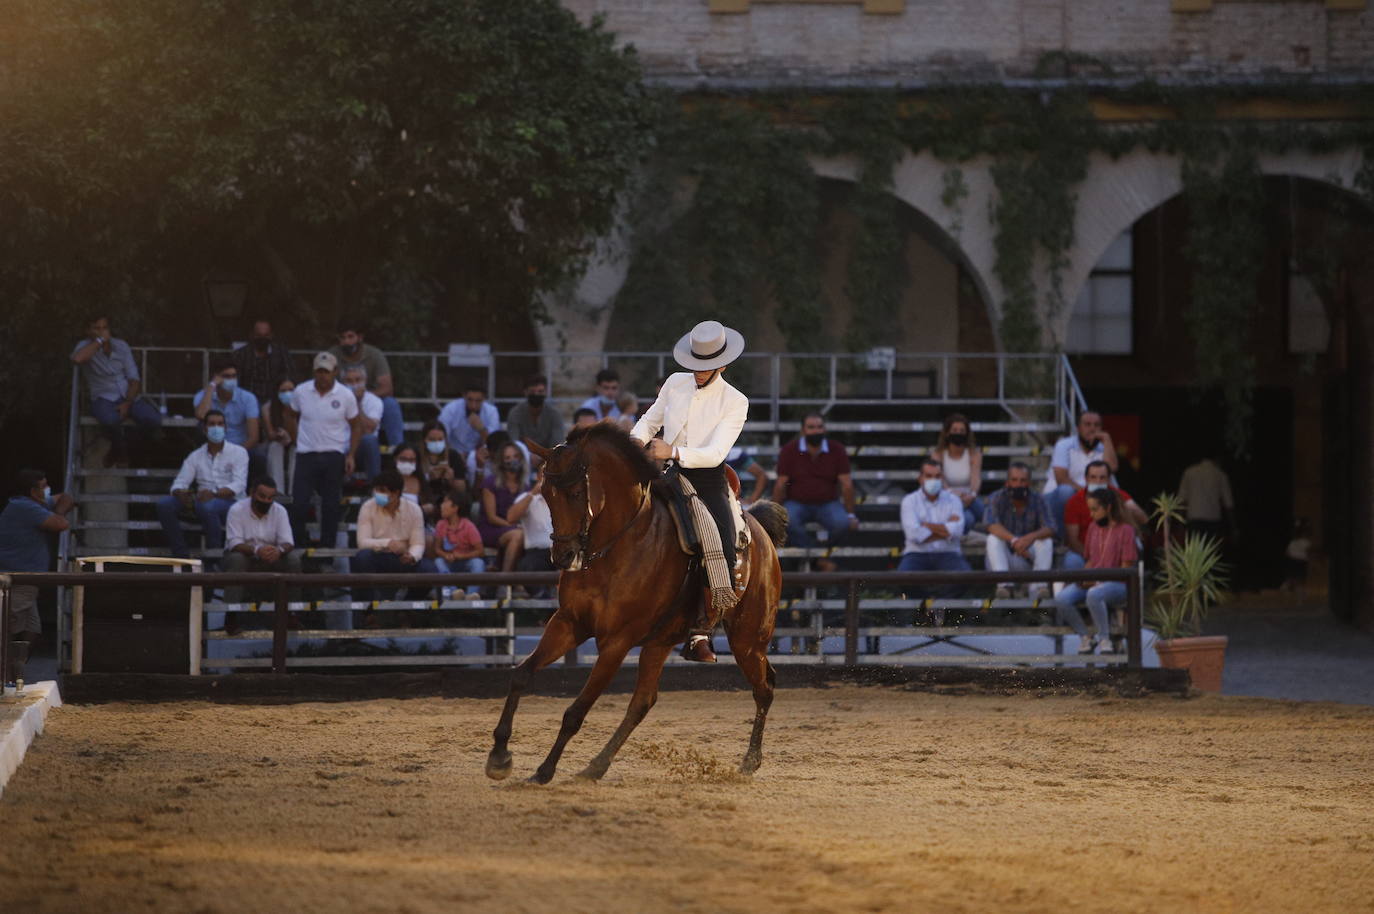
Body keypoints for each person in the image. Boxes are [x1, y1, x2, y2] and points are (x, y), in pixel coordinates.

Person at [631, 319, 750, 663]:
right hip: (664, 471)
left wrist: (673, 452)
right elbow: (650, 420)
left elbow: (716, 453)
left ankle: (701, 630)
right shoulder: (674, 382)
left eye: (707, 366)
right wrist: (632, 445)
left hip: (706, 475)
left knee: (721, 545)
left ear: (723, 364)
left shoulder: (735, 401)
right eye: (695, 365)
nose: (698, 372)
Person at [0, 470, 75, 682]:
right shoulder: (23, 506)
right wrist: (57, 513)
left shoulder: (34, 504)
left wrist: (54, 508)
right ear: (33, 491)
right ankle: (5, 677)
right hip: (15, 576)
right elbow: (61, 524)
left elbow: (66, 497)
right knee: (9, 630)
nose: (47, 490)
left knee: (32, 628)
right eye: (43, 487)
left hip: (27, 579)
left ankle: (14, 673)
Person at [288, 352, 361, 549]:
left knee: (331, 505)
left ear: (335, 372)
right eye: (319, 371)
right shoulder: (301, 391)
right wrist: (297, 439)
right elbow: (290, 414)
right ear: (314, 372)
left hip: (333, 453)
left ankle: (327, 550)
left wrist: (351, 454)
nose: (323, 376)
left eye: (326, 372)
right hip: (306, 453)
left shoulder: (345, 395)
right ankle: (300, 547)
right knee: (299, 504)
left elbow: (356, 425)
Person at [1053, 487, 1137, 655]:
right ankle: (1086, 637)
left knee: (1094, 593)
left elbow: (1126, 568)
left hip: (1118, 584)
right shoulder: (1093, 528)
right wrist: (1083, 577)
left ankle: (1104, 639)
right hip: (1095, 580)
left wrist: (1098, 581)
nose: (1091, 514)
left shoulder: (1126, 530)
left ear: (1108, 508)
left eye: (1095, 509)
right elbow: (1090, 560)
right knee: (1062, 598)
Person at [70, 314, 162, 466]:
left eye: (104, 328)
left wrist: (127, 402)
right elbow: (77, 359)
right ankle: (120, 450)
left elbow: (134, 379)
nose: (101, 331)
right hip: (103, 397)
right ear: (88, 331)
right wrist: (99, 341)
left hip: (128, 395)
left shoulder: (121, 346)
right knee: (110, 420)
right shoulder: (84, 345)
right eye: (96, 328)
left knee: (153, 420)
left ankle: (119, 448)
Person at [156, 411, 249, 559]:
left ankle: (214, 558)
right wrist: (180, 493)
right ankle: (181, 556)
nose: (216, 428)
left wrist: (214, 493)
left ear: (226, 428)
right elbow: (179, 482)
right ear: (205, 429)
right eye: (212, 424)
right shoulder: (196, 456)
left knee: (207, 506)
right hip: (201, 500)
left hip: (231, 503)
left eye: (220, 424)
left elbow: (239, 484)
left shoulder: (239, 452)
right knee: (164, 505)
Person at [772, 412, 857, 572]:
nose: (816, 431)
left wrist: (851, 514)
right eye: (811, 427)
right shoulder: (789, 450)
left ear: (825, 429)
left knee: (842, 523)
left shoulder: (837, 449)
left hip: (828, 503)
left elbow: (847, 484)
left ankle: (817, 557)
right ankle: (820, 559)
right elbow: (781, 484)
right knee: (785, 521)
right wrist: (775, 513)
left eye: (820, 427)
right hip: (797, 503)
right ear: (803, 430)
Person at [221, 476, 300, 631]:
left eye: (270, 497)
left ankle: (292, 614)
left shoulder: (280, 511)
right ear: (252, 493)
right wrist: (257, 550)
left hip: (271, 558)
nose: (266, 501)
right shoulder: (237, 509)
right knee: (237, 559)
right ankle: (231, 615)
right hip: (245, 557)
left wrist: (279, 550)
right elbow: (234, 543)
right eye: (262, 496)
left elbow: (288, 542)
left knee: (293, 559)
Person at [351, 468, 437, 604]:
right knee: (362, 558)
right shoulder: (367, 507)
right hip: (378, 556)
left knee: (429, 570)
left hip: (404, 558)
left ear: (396, 493)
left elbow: (418, 544)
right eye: (376, 490)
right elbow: (362, 542)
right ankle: (369, 611)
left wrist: (412, 556)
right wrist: (387, 543)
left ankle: (407, 608)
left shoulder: (414, 509)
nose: (377, 494)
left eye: (382, 490)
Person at [897, 458, 970, 598]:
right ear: (920, 478)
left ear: (942, 478)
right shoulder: (909, 501)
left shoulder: (954, 500)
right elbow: (913, 535)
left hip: (948, 552)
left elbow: (958, 531)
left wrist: (926, 525)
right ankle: (925, 606)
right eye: (929, 476)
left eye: (937, 476)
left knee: (965, 576)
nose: (933, 480)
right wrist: (946, 530)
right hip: (916, 553)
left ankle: (940, 605)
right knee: (903, 577)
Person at [983, 461, 1055, 600]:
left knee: (1046, 541)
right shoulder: (996, 497)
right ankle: (1004, 587)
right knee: (992, 539)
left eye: (1022, 480)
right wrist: (1014, 540)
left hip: (1028, 557)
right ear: (1007, 482)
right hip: (1003, 559)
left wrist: (1030, 538)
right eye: (1014, 480)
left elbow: (1051, 527)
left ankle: (1039, 588)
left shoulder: (1038, 499)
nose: (1018, 484)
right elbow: (990, 524)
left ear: (1029, 483)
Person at [328, 322, 405, 448]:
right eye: (343, 338)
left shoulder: (374, 354)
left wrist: (363, 395)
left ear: (360, 337)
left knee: (390, 404)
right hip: (339, 399)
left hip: (370, 398)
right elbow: (321, 385)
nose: (347, 342)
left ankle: (399, 450)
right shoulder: (331, 356)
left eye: (350, 336)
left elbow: (387, 388)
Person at [1062, 460, 1149, 570]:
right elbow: (1072, 540)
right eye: (1093, 477)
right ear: (1086, 479)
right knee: (1072, 561)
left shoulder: (1119, 496)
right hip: (1085, 553)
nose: (1098, 481)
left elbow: (1143, 519)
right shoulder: (1074, 502)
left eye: (1102, 478)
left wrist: (1129, 507)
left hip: (1116, 554)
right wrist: (1095, 557)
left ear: (1108, 479)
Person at [1044, 411, 1117, 537]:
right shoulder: (1064, 445)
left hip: (1087, 496)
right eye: (1087, 424)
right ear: (1078, 428)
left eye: (1096, 425)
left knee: (1112, 493)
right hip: (1056, 498)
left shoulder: (1103, 448)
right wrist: (1087, 493)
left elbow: (1112, 469)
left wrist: (1107, 440)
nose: (1092, 429)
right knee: (1066, 491)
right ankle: (1060, 538)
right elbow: (1061, 479)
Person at [478, 442, 532, 573]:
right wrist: (512, 526)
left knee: (522, 536)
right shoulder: (490, 483)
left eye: (515, 456)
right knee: (518, 535)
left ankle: (517, 581)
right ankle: (505, 580)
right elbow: (491, 517)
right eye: (507, 458)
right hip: (492, 529)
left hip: (516, 529)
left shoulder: (525, 487)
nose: (512, 460)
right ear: (501, 462)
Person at [192, 359, 261, 453]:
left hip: (241, 449)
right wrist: (212, 386)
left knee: (259, 460)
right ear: (216, 377)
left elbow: (254, 437)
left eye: (234, 376)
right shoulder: (203, 395)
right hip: (212, 449)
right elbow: (201, 415)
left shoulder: (248, 398)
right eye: (227, 376)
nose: (231, 379)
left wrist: (233, 454)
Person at [932, 413, 983, 531]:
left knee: (983, 511)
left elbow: (976, 477)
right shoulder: (938, 455)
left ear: (967, 434)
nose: (958, 433)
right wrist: (954, 494)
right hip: (947, 498)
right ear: (947, 433)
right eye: (954, 430)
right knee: (968, 519)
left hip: (968, 497)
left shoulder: (974, 454)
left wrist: (973, 494)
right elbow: (940, 480)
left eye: (962, 430)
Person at [230, 319, 293, 414]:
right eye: (259, 335)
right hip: (247, 402)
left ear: (271, 335)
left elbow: (289, 374)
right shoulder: (240, 354)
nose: (262, 339)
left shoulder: (281, 353)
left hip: (275, 402)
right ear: (252, 335)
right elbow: (234, 380)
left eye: (266, 335)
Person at [433, 491, 486, 599]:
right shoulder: (441, 525)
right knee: (438, 561)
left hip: (466, 561)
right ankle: (454, 592)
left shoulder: (468, 526)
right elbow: (437, 549)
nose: (442, 506)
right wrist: (445, 555)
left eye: (445, 502)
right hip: (450, 562)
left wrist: (461, 556)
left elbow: (480, 551)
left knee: (478, 563)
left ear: (455, 507)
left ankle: (471, 594)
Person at [1178, 453, 1236, 542]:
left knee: (1194, 554)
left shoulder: (1189, 472)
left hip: (1194, 520)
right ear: (1217, 459)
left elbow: (1182, 500)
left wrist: (1180, 524)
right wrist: (1233, 527)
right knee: (1211, 553)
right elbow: (1228, 504)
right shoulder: (1220, 474)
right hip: (1213, 522)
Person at [507, 465, 554, 573]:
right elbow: (511, 518)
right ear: (538, 477)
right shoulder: (527, 498)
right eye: (545, 475)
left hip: (562, 551)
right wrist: (533, 493)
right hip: (537, 553)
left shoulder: (565, 500)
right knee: (530, 566)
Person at [342, 364, 384, 483]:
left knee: (369, 440)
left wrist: (356, 403)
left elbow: (368, 429)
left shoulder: (374, 401)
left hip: (361, 450)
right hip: (339, 449)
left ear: (364, 381)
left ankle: (375, 488)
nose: (354, 384)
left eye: (358, 380)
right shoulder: (336, 399)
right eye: (349, 381)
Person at [438, 382, 501, 458]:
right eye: (470, 400)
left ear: (484, 399)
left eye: (478, 401)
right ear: (464, 396)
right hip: (454, 454)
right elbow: (441, 437)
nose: (473, 406)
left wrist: (482, 430)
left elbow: (494, 444)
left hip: (480, 456)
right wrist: (454, 456)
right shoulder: (450, 409)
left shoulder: (491, 412)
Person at [505, 374, 566, 452]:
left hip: (548, 458)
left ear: (546, 392)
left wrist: (542, 456)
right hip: (522, 457)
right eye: (532, 391)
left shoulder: (554, 414)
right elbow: (514, 442)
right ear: (525, 392)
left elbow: (557, 443)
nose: (536, 395)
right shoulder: (515, 413)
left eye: (540, 391)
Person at [263, 377, 299, 496]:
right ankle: (277, 491)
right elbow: (270, 434)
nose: (287, 393)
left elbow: (299, 438)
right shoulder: (268, 408)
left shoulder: (303, 406)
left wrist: (290, 436)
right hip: (277, 441)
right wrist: (281, 435)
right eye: (283, 391)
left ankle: (295, 490)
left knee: (297, 450)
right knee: (275, 447)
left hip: (297, 442)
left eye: (291, 390)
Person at [418, 420, 465, 501]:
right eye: (432, 439)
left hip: (447, 499)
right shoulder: (416, 455)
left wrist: (451, 480)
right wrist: (427, 478)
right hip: (423, 498)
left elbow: (461, 489)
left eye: (440, 439)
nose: (436, 443)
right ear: (424, 440)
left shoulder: (453, 456)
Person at [392, 443, 439, 524]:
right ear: (395, 459)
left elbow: (431, 506)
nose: (407, 463)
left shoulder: (421, 481)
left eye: (411, 460)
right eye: (403, 459)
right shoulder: (386, 480)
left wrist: (428, 508)